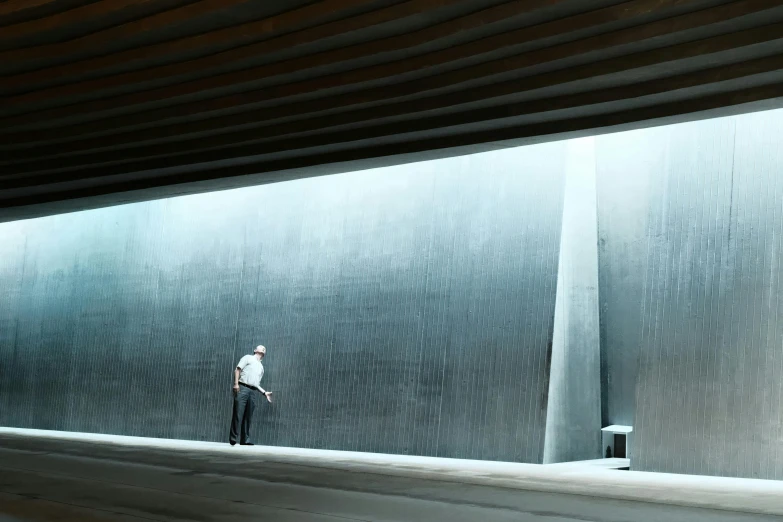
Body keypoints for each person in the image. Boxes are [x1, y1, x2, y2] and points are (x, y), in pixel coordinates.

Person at [229, 345, 272, 446]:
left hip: (253, 392)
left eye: (264, 349)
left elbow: (257, 384)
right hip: (242, 387)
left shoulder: (261, 367)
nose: (263, 349)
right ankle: (233, 438)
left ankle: (245, 440)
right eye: (261, 347)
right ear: (255, 350)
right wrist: (236, 384)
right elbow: (237, 370)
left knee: (248, 416)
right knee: (238, 414)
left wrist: (264, 392)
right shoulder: (247, 358)